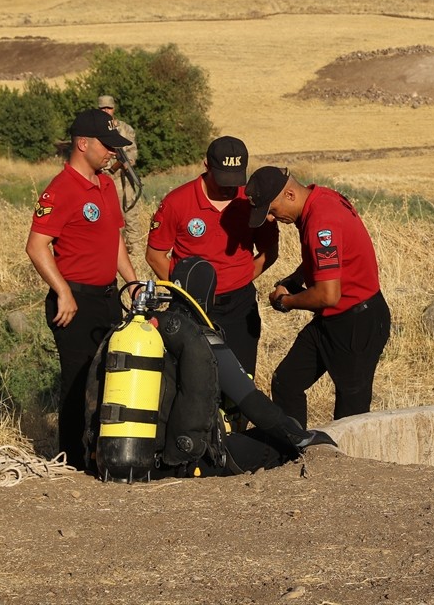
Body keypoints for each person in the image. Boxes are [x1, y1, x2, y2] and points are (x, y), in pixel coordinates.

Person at [26, 108, 140, 470]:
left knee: (109, 375)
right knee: (78, 382)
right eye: (107, 146)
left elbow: (115, 240)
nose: (113, 153)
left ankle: (100, 453)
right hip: (75, 301)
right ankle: (72, 460)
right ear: (82, 143)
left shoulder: (106, 184)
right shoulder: (61, 190)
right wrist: (62, 291)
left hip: (108, 297)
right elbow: (36, 245)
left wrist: (132, 282)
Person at [245, 166, 391, 427]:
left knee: (350, 414)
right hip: (333, 320)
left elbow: (327, 295)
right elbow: (324, 262)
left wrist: (285, 301)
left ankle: (347, 467)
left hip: (357, 322)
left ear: (289, 195)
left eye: (272, 210)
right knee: (286, 382)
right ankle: (295, 452)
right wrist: (294, 280)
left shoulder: (322, 222)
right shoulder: (320, 198)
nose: (270, 219)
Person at [145, 136, 279, 376]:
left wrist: (243, 277)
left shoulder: (249, 200)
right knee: (193, 379)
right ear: (206, 165)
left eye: (235, 179)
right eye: (223, 179)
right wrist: (187, 292)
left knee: (241, 379)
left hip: (240, 308)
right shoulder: (177, 202)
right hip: (191, 309)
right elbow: (155, 255)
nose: (229, 187)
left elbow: (270, 250)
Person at [97, 95, 141, 247]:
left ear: (114, 108)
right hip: (104, 179)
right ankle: (115, 250)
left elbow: (132, 153)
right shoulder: (94, 130)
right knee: (112, 218)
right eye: (103, 108)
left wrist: (125, 162)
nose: (106, 111)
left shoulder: (125, 129)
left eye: (109, 107)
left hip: (125, 178)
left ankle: (135, 252)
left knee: (131, 215)